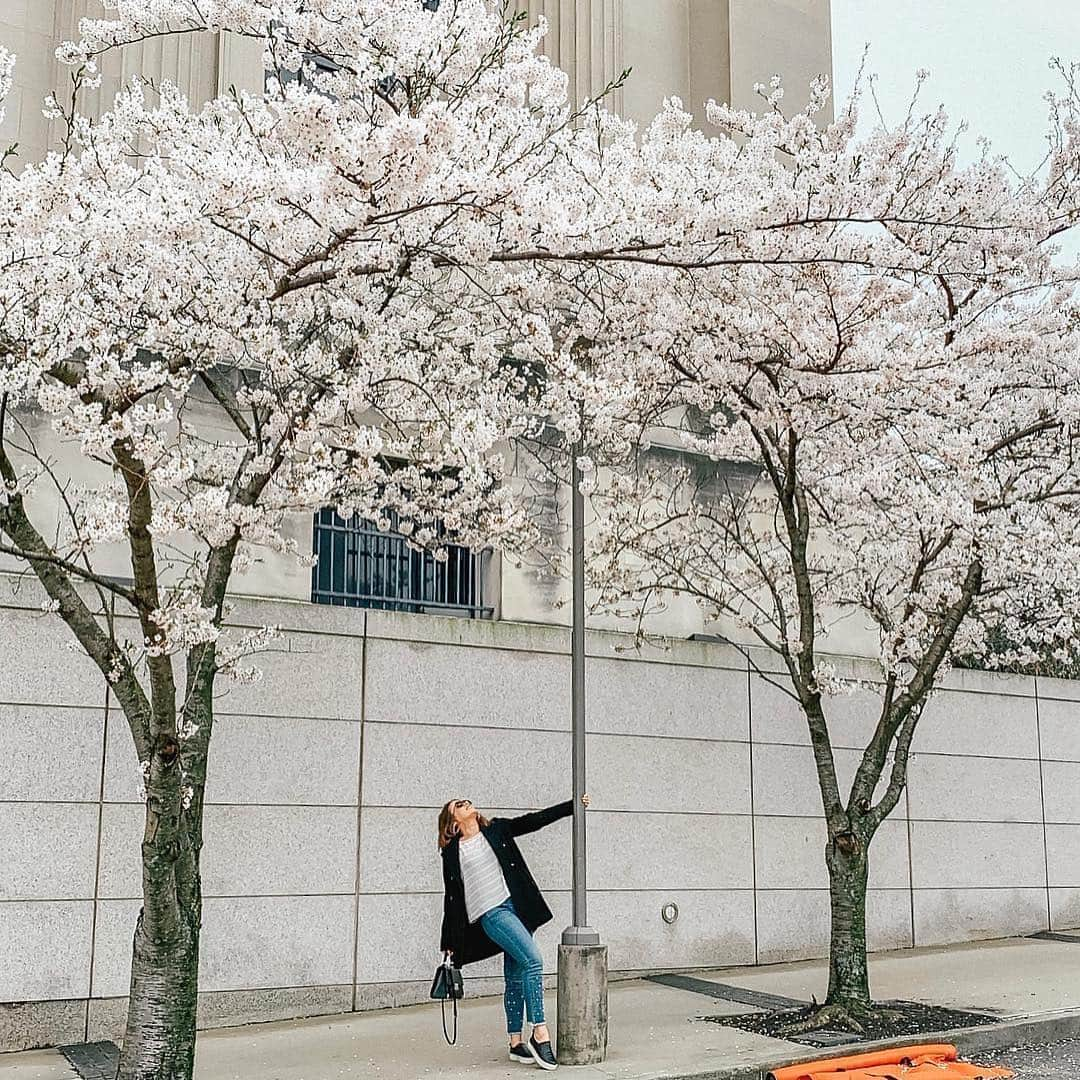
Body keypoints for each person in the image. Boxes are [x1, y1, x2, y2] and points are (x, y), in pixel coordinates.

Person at [437, 794, 589, 1071]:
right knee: (533, 961)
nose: (466, 803)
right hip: (492, 914)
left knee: (516, 974)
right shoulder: (452, 852)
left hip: (515, 907)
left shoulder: (495, 830)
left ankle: (515, 1042)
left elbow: (533, 821)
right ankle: (539, 1032)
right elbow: (451, 898)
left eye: (466, 801)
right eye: (458, 805)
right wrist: (448, 941)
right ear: (453, 823)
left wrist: (572, 806)